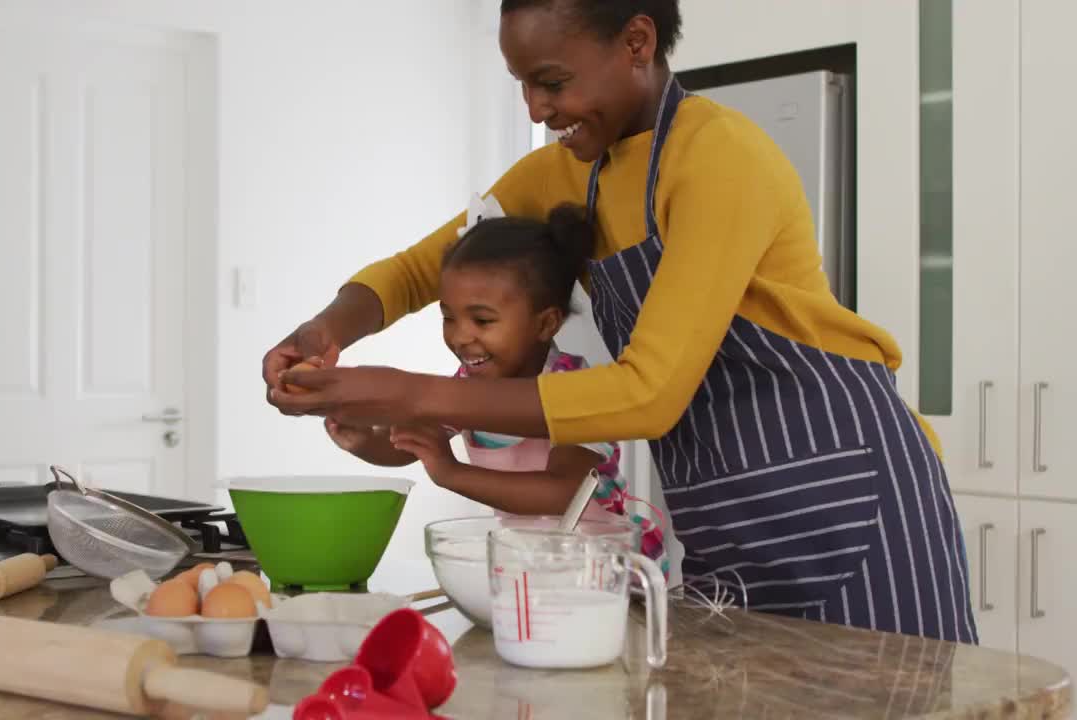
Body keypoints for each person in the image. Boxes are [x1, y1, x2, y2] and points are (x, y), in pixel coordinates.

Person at [263, 0, 976, 644]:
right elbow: (425, 267)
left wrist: (409, 392)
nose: (538, 108)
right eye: (522, 83)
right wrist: (326, 331)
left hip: (847, 498)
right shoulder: (566, 172)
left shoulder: (721, 157)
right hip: (721, 507)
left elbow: (649, 395)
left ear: (637, 40)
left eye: (552, 80)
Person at [322, 206, 669, 576]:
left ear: (546, 323)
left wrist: (452, 473)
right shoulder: (466, 387)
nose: (459, 336)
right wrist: (363, 442)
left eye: (482, 320)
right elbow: (412, 445)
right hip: (535, 571)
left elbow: (562, 492)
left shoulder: (572, 385)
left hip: (612, 575)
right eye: (448, 317)